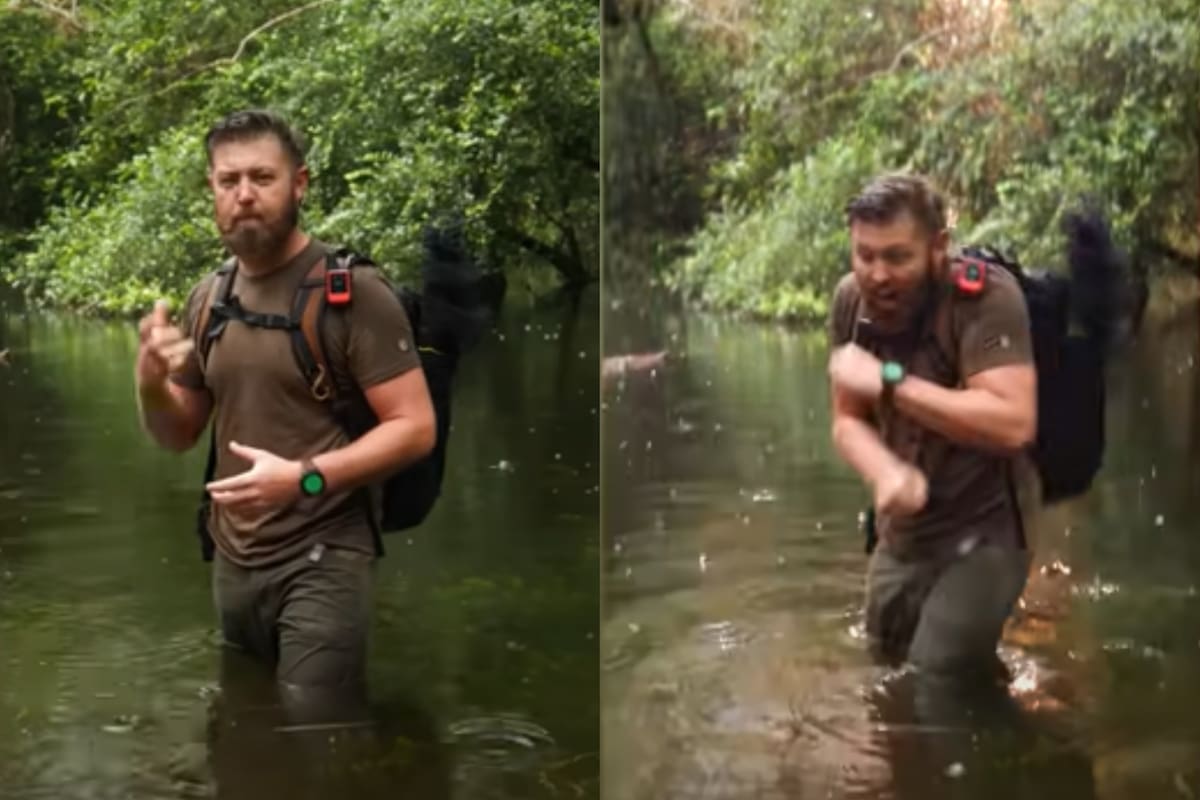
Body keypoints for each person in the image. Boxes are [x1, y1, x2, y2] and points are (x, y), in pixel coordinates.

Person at [133, 109, 436, 709]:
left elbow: (415, 427)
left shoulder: (353, 294)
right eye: (229, 180)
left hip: (325, 552)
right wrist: (148, 385)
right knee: (246, 725)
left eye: (262, 178)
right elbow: (180, 434)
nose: (244, 194)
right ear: (212, 190)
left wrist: (304, 478)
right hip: (232, 555)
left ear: (298, 183)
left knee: (313, 730)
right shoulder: (210, 298)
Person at [826, 172, 1038, 680]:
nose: (877, 275)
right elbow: (847, 421)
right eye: (865, 255)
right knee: (883, 668)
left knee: (938, 679)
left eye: (897, 257)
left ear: (938, 247)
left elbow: (1012, 421)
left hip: (988, 529)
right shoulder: (850, 302)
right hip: (902, 534)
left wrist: (891, 382)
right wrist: (885, 474)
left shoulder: (984, 298)